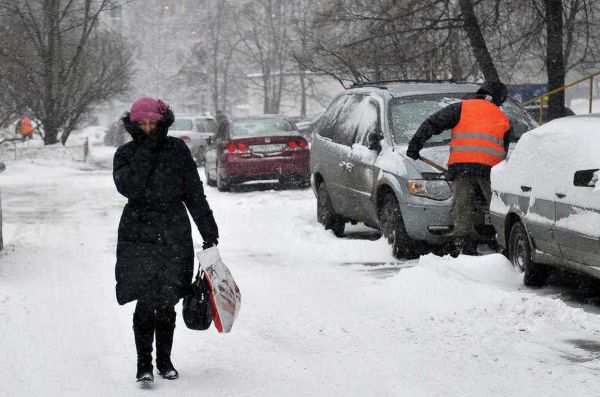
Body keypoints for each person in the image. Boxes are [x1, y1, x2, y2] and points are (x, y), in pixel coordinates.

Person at [113, 97, 219, 383]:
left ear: (163, 123)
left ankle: (165, 360)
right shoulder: (125, 154)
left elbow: (194, 194)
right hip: (138, 233)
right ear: (133, 126)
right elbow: (129, 187)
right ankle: (143, 365)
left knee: (169, 298)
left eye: (153, 124)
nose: (148, 129)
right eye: (142, 125)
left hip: (174, 230)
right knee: (146, 299)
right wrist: (147, 149)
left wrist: (209, 231)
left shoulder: (178, 151)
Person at [406, 81, 510, 256]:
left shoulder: (461, 108)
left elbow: (433, 123)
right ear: (499, 99)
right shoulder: (503, 118)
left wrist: (415, 145)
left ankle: (463, 244)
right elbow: (504, 151)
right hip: (490, 170)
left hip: (463, 167)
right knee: (497, 206)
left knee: (462, 205)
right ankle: (503, 242)